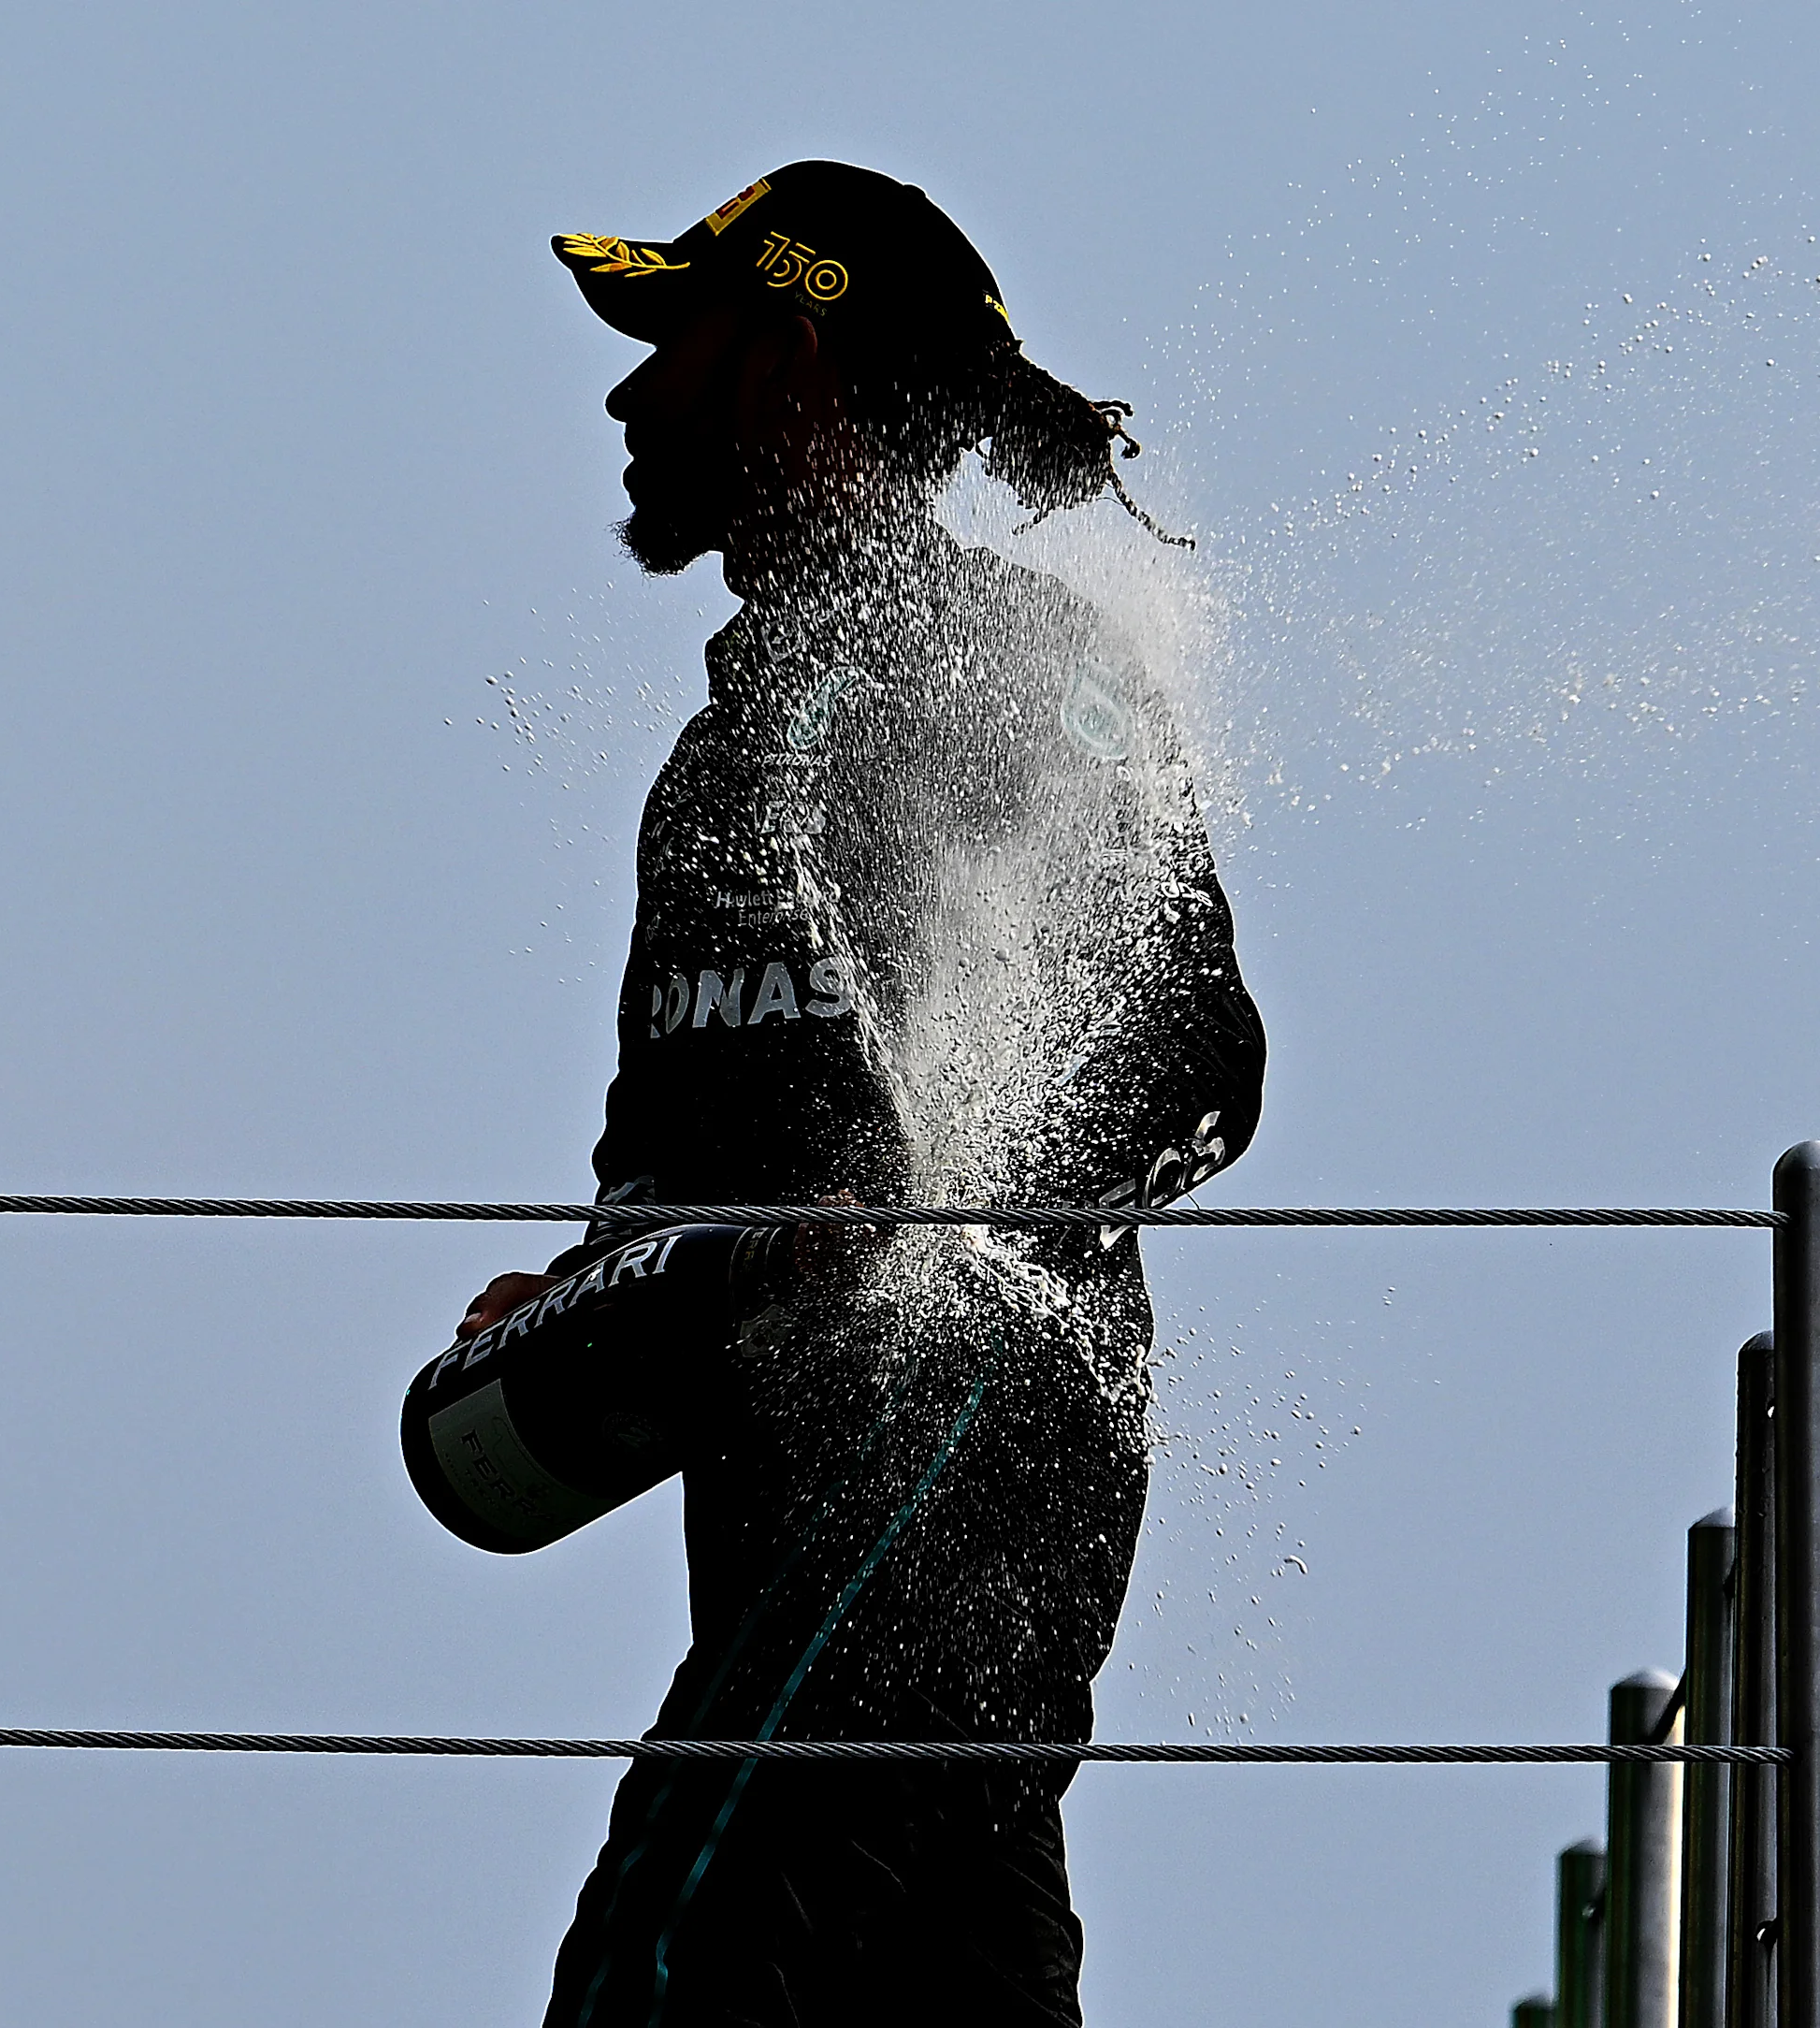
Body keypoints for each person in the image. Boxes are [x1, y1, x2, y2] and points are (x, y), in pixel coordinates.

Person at [458, 161, 1267, 2027]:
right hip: (782, 1524)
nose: (631, 390)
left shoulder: (1015, 669)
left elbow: (1202, 1061)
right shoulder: (717, 755)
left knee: (664, 1969)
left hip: (959, 1466)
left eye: (679, 336)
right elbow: (674, 1159)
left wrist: (938, 1212)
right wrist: (580, 1292)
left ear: (794, 355)